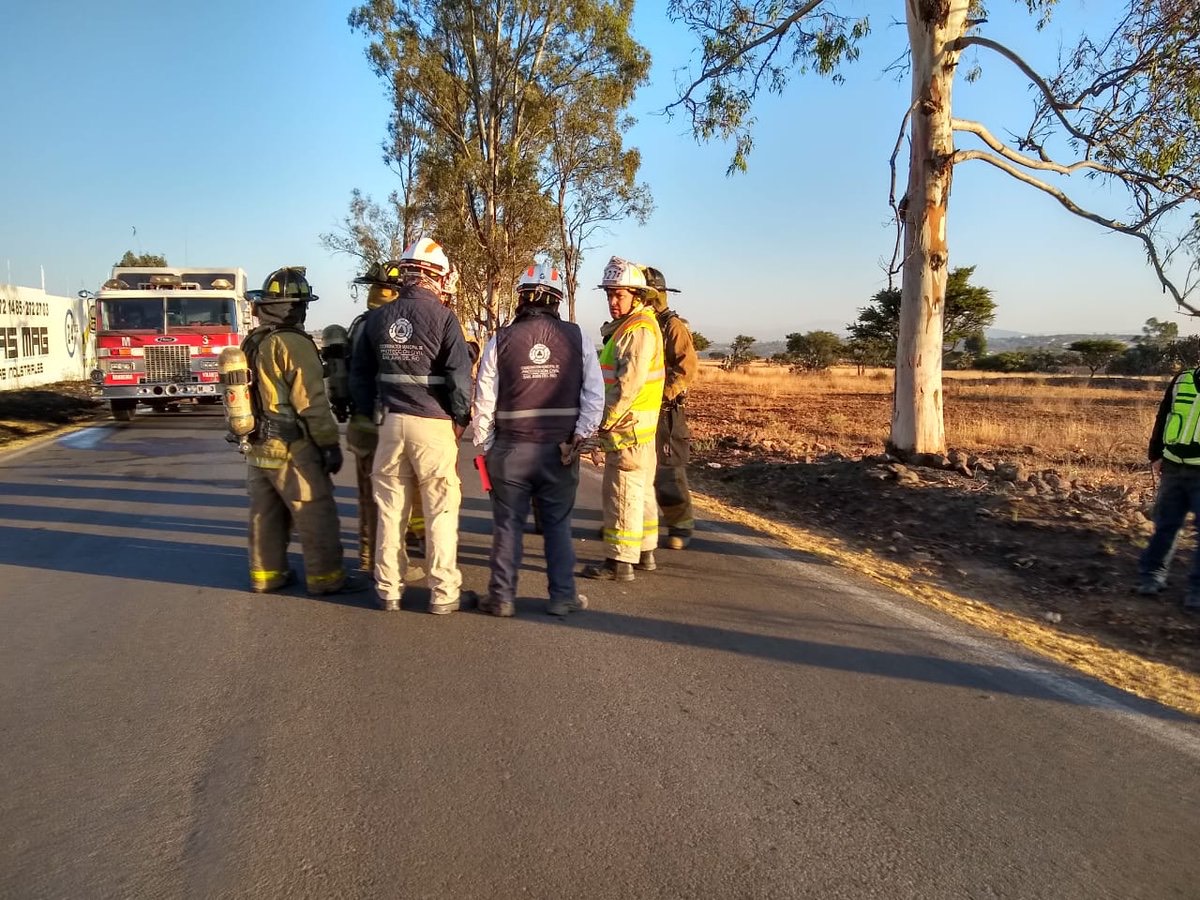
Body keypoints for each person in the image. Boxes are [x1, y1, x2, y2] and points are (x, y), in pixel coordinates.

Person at [348, 237, 475, 614]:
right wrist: (459, 419)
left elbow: (360, 377)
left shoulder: (376, 318)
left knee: (389, 510)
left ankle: (388, 589)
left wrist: (372, 409)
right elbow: (459, 378)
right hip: (433, 425)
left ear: (406, 273)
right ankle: (443, 592)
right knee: (440, 510)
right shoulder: (444, 318)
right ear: (436, 276)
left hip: (391, 423)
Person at [473, 263, 604, 616]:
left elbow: (484, 400)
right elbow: (594, 395)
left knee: (508, 524)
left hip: (509, 450)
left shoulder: (499, 340)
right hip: (559, 451)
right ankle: (562, 597)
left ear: (521, 298)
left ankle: (501, 597)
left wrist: (486, 447)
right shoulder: (579, 338)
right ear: (557, 299)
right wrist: (579, 437)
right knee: (558, 524)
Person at [242, 266, 367, 596]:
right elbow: (311, 402)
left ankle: (266, 575)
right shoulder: (292, 344)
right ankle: (327, 578)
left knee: (265, 516)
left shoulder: (254, 340)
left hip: (257, 445)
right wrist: (329, 444)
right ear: (295, 307)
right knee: (315, 511)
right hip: (290, 447)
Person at [581, 257, 665, 582]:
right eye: (609, 295)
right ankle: (645, 553)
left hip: (627, 431)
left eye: (620, 295)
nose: (613, 302)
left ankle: (619, 562)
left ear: (637, 295)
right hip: (641, 432)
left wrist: (602, 424)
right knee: (641, 494)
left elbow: (625, 388)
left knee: (622, 495)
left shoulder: (637, 331)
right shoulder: (637, 325)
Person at [342, 259, 404, 573]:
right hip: (385, 424)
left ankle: (368, 561)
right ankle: (386, 566)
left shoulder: (358, 324)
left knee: (369, 498)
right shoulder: (389, 328)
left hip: (361, 423)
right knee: (390, 499)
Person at [643, 265, 698, 550]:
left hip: (665, 412)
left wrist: (662, 394)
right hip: (640, 410)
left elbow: (686, 368)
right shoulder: (637, 326)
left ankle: (680, 526)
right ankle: (636, 524)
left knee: (668, 470)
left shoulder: (672, 327)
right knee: (639, 470)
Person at [1136, 367, 1200, 613]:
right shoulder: (1183, 380)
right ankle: (1151, 577)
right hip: (1173, 468)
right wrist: (1155, 453)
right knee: (1166, 527)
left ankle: (1196, 592)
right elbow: (1164, 416)